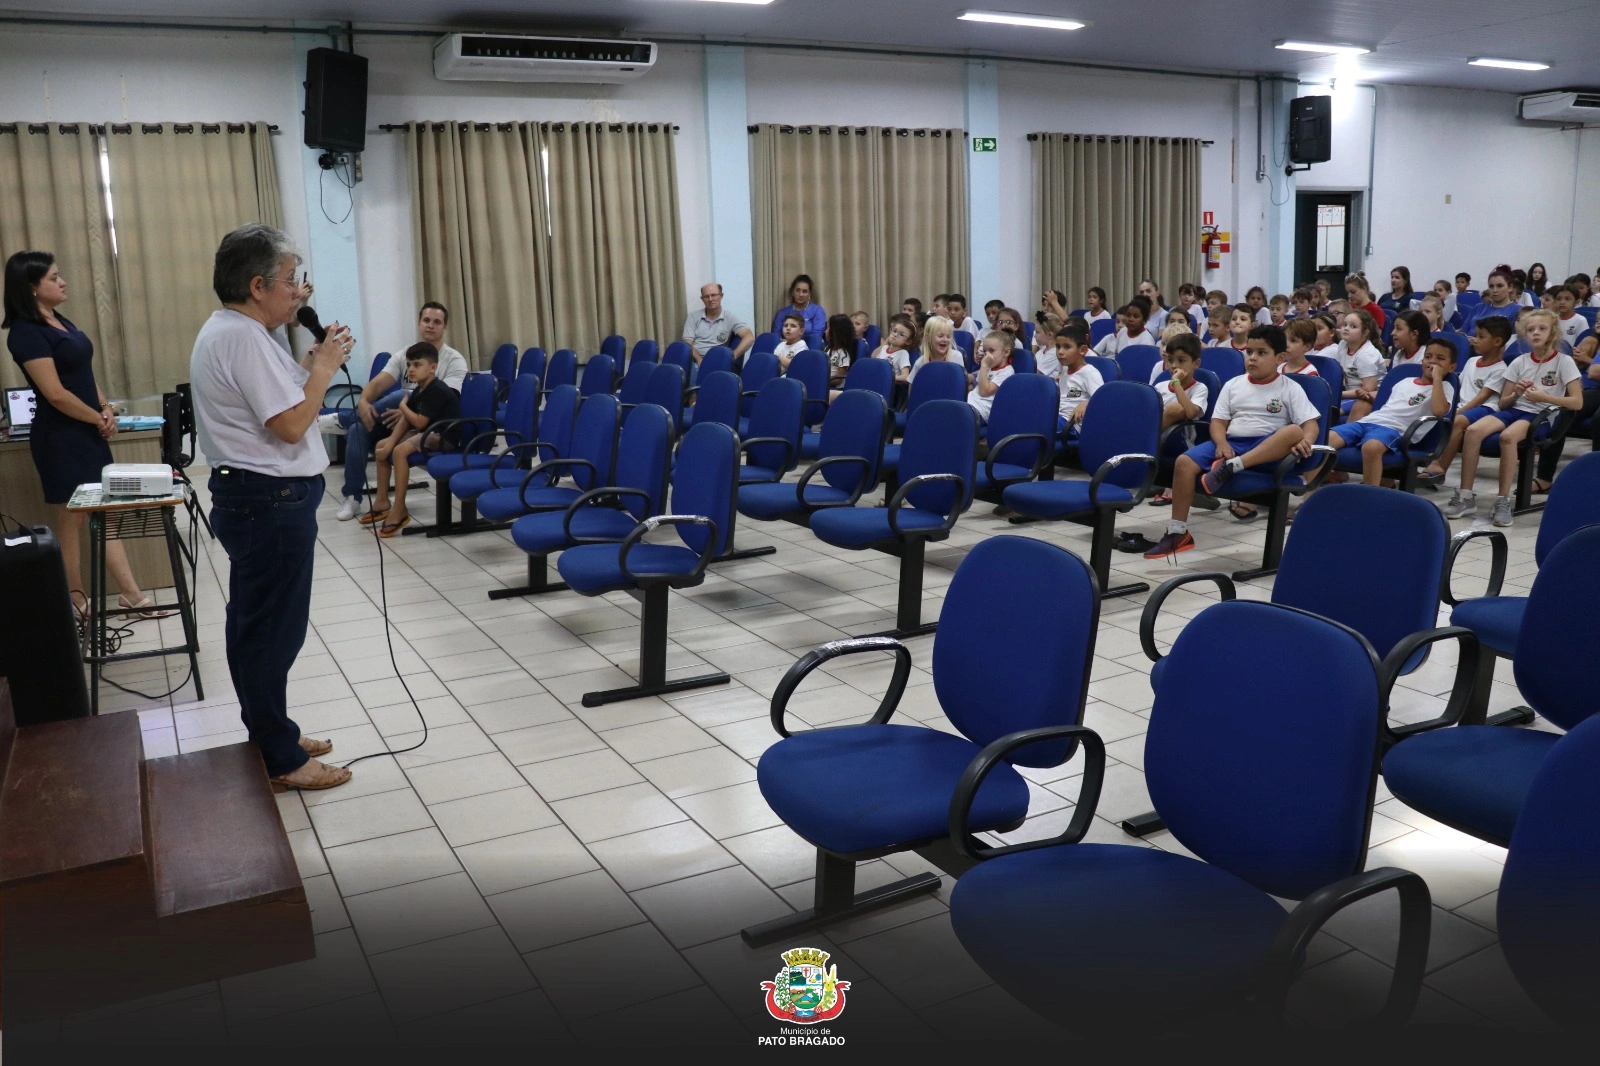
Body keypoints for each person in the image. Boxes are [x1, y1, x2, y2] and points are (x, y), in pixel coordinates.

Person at [189, 223, 354, 792]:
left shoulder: (241, 332)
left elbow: (285, 402)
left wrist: (311, 364)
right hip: (268, 503)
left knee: (258, 627)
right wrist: (325, 370)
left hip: (260, 500)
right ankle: (280, 757)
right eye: (289, 280)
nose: (298, 291)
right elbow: (289, 425)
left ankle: (271, 732)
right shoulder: (240, 338)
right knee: (270, 635)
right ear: (257, 286)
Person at [3, 251, 171, 624]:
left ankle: (131, 596)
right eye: (53, 278)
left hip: (86, 431)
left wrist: (106, 407)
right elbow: (55, 394)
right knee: (71, 520)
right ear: (31, 288)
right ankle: (76, 600)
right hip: (60, 438)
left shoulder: (60, 320)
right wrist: (97, 417)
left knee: (104, 513)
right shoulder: (26, 333)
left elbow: (82, 373)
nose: (62, 282)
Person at [1142, 325, 1320, 558]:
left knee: (1293, 431)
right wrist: (1221, 443)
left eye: (1262, 353)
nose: (1253, 358)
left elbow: (1311, 424)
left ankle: (1233, 466)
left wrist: (1306, 441)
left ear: (1280, 358)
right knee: (1184, 462)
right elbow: (1218, 423)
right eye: (1249, 352)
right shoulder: (1234, 384)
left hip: (1266, 449)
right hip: (1233, 443)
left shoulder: (1290, 388)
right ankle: (1178, 532)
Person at [319, 302, 466, 522]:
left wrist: (406, 409)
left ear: (444, 327)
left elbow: (445, 398)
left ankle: (343, 419)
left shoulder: (454, 360)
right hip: (404, 421)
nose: (430, 325)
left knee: (402, 395)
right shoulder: (406, 354)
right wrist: (364, 402)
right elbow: (378, 383)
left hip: (432, 424)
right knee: (359, 428)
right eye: (426, 320)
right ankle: (354, 497)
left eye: (437, 322)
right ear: (419, 323)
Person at [1446, 309, 1584, 526]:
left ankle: (1503, 501)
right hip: (1514, 410)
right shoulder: (1519, 361)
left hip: (1541, 414)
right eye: (1531, 329)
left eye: (1542, 329)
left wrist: (1544, 397)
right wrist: (1516, 394)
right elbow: (1503, 403)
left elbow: (1577, 402)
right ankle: (1465, 496)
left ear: (1553, 332)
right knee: (1472, 431)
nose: (1536, 333)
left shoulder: (1564, 362)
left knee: (1508, 437)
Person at [365, 343, 461, 537]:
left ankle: (400, 508)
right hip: (428, 432)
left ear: (433, 367)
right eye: (409, 364)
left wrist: (402, 407)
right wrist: (389, 443)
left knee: (400, 451)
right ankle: (382, 500)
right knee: (381, 445)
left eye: (417, 364)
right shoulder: (419, 389)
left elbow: (419, 421)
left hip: (445, 437)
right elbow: (406, 421)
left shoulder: (437, 390)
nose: (410, 369)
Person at [1329, 339, 1454, 486]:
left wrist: (1437, 378)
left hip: (1396, 429)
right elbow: (1388, 407)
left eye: (1440, 358)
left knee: (1371, 447)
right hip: (1369, 421)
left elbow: (1439, 410)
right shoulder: (1405, 381)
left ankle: (1370, 495)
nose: (1432, 361)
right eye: (1428, 357)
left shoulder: (1445, 387)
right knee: (1326, 439)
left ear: (1452, 367)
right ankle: (1311, 492)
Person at [1423, 317, 1512, 490]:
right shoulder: (1471, 361)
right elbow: (1458, 386)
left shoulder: (1500, 369)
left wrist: (1457, 412)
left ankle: (1439, 468)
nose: (1475, 340)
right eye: (1475, 335)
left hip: (1485, 409)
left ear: (1497, 341)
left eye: (1481, 336)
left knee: (1457, 421)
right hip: (1463, 406)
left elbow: (1482, 397)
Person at [1052, 323, 1102, 438]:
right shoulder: (1065, 370)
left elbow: (1102, 400)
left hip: (1071, 426)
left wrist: (1086, 404)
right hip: (1057, 418)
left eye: (1066, 347)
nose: (1060, 352)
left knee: (1037, 425)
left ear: (1082, 350)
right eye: (1058, 347)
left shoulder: (1089, 373)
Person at [682, 282, 754, 362]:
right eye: (706, 296)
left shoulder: (729, 317)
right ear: (702, 299)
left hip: (717, 360)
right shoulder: (693, 317)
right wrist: (699, 360)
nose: (710, 299)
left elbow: (749, 338)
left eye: (713, 295)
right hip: (695, 360)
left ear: (721, 296)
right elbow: (687, 344)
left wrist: (732, 356)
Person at [1337, 309, 1386, 422]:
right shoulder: (1343, 344)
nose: (1346, 328)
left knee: (1332, 410)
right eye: (1345, 324)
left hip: (1368, 398)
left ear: (1365, 332)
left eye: (1353, 326)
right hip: (1350, 393)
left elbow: (1368, 391)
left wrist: (1338, 394)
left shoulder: (1366, 355)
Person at [966, 330, 1014, 426]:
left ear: (1006, 352)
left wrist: (984, 366)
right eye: (985, 351)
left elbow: (984, 392)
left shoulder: (1007, 372)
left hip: (981, 412)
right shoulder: (989, 367)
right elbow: (977, 386)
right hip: (969, 404)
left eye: (991, 351)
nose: (986, 355)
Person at [1462, 268, 1521, 335]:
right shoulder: (1478, 307)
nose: (1495, 290)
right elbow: (1463, 331)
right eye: (1491, 286)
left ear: (1510, 287)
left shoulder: (1518, 310)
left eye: (1499, 286)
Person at [871, 314, 917, 385]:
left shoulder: (903, 353)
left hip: (888, 385)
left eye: (901, 334)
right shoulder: (884, 348)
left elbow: (906, 377)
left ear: (908, 342)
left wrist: (888, 377)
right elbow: (873, 358)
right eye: (894, 331)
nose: (895, 335)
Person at [909, 315, 956, 384]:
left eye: (948, 336)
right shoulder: (920, 362)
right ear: (928, 337)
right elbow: (912, 387)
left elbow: (959, 384)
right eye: (940, 336)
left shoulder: (956, 357)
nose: (945, 340)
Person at [822, 313, 857, 391]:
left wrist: (821, 380)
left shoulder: (844, 354)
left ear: (836, 332)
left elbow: (838, 380)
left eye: (828, 328)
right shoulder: (827, 349)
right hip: (824, 385)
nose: (825, 331)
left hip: (836, 389)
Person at [1549, 284, 1587, 351]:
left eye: (1567, 299)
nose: (1562, 302)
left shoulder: (1580, 320)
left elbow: (1583, 343)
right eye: (1559, 299)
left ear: (1576, 302)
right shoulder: (1550, 319)